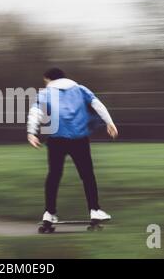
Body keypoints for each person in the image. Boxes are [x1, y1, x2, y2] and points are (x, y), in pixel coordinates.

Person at [27, 67, 118, 223]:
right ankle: (95, 210)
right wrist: (109, 122)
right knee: (87, 175)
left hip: (56, 140)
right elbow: (98, 105)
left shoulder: (45, 94)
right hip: (79, 140)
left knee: (54, 176)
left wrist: (31, 132)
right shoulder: (81, 90)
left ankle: (49, 214)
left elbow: (35, 112)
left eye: (45, 81)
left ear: (49, 79)